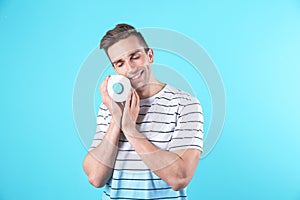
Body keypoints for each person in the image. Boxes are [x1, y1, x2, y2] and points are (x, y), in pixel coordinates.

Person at [83, 23, 204, 199]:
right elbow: (95, 177)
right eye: (120, 63)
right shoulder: (109, 106)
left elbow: (179, 177)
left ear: (150, 55)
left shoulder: (185, 104)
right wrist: (117, 121)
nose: (130, 68)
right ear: (115, 70)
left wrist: (130, 129)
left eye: (135, 56)